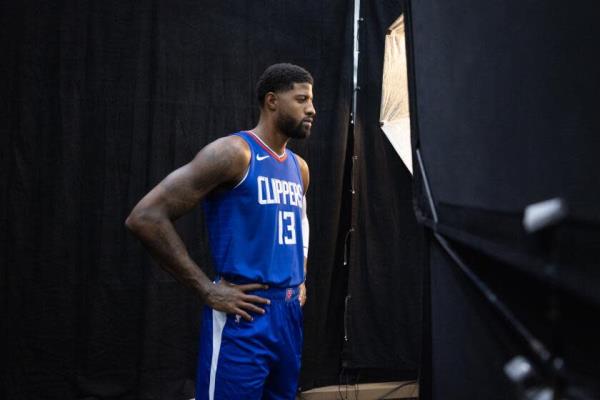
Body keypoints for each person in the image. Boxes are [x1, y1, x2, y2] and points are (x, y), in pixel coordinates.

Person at [125, 63, 315, 400]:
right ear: (272, 101)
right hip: (244, 315)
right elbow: (146, 217)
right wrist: (206, 290)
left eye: (311, 100)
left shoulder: (299, 168)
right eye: (301, 99)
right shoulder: (235, 153)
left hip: (288, 316)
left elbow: (299, 223)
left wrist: (299, 278)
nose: (311, 109)